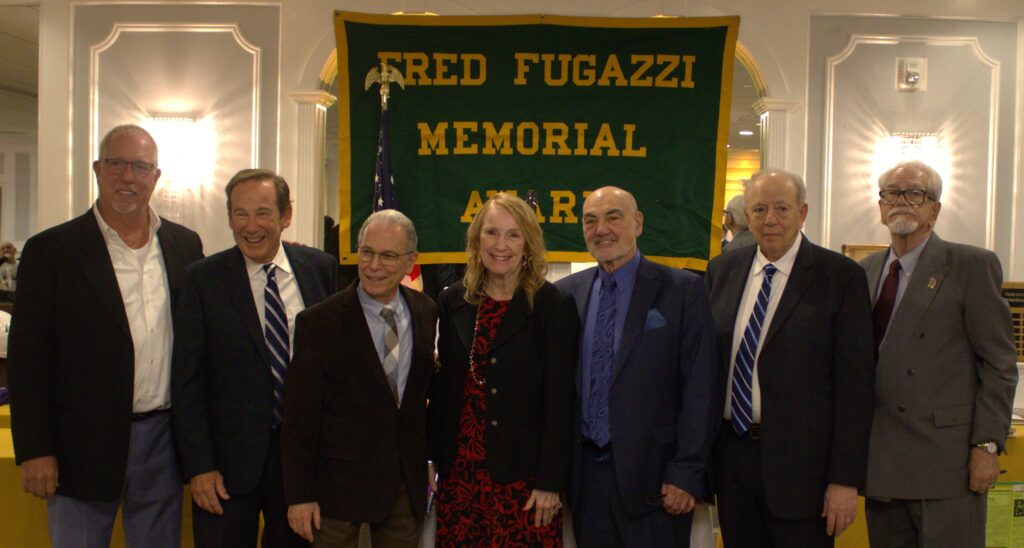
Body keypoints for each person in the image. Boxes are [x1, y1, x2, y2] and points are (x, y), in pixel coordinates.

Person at [7, 124, 204, 546]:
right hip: (80, 445)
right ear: (98, 169)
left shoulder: (185, 246)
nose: (127, 177)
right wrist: (35, 449)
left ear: (156, 177)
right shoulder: (51, 252)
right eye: (116, 164)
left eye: (139, 167)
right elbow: (27, 361)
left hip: (163, 443)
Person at [705, 169, 874, 547]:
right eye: (759, 209)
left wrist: (844, 479)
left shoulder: (840, 277)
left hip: (804, 472)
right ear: (747, 216)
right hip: (732, 462)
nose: (770, 219)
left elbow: (856, 388)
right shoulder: (723, 270)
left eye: (782, 208)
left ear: (803, 212)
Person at [171, 169, 337, 547]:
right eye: (239, 214)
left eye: (263, 213)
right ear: (229, 218)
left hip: (302, 471)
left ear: (286, 215)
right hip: (225, 473)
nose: (250, 225)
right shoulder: (202, 280)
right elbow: (187, 382)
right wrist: (200, 467)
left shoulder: (320, 270)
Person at [861, 161, 1017, 548]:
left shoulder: (970, 266)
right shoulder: (863, 272)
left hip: (947, 466)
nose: (902, 202)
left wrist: (986, 445)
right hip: (882, 464)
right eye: (892, 194)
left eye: (915, 194)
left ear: (935, 209)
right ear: (880, 208)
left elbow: (998, 365)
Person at [556, 186, 718, 546]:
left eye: (613, 216)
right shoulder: (567, 294)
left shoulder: (683, 290)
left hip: (657, 481)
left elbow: (701, 388)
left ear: (638, 223)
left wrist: (686, 471)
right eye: (590, 221)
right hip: (586, 483)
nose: (601, 229)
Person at [429, 193, 578, 545]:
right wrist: (433, 459)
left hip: (524, 481)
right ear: (477, 240)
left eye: (513, 235)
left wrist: (550, 482)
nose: (501, 245)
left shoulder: (551, 306)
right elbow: (444, 389)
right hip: (461, 475)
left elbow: (560, 402)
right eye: (492, 233)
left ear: (528, 244)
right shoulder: (453, 301)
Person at [282, 209, 438, 547]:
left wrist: (429, 460)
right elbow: (299, 419)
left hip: (402, 488)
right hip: (335, 492)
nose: (373, 265)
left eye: (388, 256)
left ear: (410, 259)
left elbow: (420, 401)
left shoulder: (426, 311)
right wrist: (299, 495)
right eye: (366, 252)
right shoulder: (318, 322)